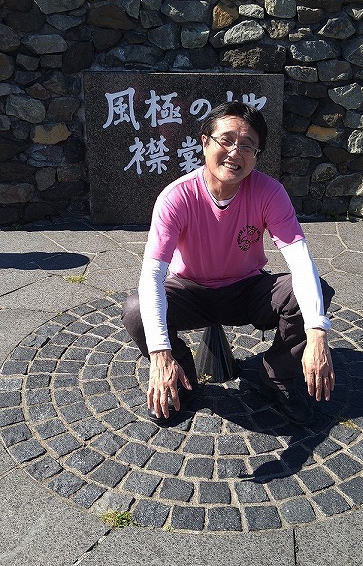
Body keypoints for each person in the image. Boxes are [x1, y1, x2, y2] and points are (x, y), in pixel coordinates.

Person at [122, 101, 335, 427]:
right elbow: (152, 276)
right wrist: (160, 353)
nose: (236, 152)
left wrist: (317, 332)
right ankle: (180, 381)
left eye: (248, 145)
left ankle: (277, 377)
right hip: (189, 289)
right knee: (136, 310)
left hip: (246, 289)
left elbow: (301, 261)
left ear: (256, 155)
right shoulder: (176, 197)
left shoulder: (270, 193)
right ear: (205, 142)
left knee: (312, 290)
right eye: (226, 140)